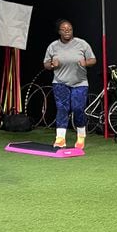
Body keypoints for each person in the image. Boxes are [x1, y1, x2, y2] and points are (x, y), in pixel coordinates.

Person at [44, 19, 97, 149]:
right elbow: (46, 64)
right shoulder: (53, 46)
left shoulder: (82, 44)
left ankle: (81, 137)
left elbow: (93, 60)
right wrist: (51, 64)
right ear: (59, 31)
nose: (67, 31)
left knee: (78, 109)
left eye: (69, 29)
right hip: (60, 83)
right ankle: (60, 138)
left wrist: (86, 63)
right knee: (62, 109)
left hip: (80, 83)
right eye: (64, 29)